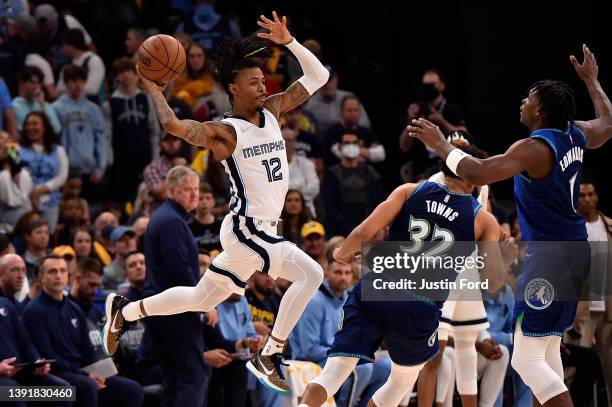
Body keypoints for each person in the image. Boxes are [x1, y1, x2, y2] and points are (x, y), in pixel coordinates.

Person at [103, 12, 329, 396]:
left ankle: (124, 311)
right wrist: (153, 88)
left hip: (262, 231)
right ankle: (270, 354)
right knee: (313, 274)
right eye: (253, 82)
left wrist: (289, 41)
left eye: (262, 81)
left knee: (198, 297)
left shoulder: (273, 110)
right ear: (232, 89)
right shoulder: (226, 133)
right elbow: (175, 126)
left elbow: (318, 76)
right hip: (246, 227)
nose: (262, 87)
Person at [407, 44, 612, 407]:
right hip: (573, 252)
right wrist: (593, 82)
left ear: (542, 110)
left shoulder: (536, 147)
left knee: (526, 358)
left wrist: (441, 145)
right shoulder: (573, 135)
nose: (522, 102)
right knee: (546, 348)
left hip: (550, 258)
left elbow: (480, 172)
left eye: (529, 98)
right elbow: (607, 125)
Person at [299, 142, 515, 407]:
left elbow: (363, 233)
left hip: (377, 288)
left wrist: (341, 254)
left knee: (332, 374)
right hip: (419, 303)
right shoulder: (482, 219)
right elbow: (492, 283)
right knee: (401, 381)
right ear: (476, 177)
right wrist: (505, 259)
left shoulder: (409, 191)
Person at [22, 255, 144, 407]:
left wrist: (98, 374)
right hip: (57, 373)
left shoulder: (74, 309)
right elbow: (49, 357)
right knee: (87, 387)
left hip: (80, 372)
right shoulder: (33, 311)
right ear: (41, 277)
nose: (58, 275)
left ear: (68, 275)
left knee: (132, 390)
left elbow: (88, 351)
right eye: (52, 271)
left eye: (62, 271)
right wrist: (87, 375)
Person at [576, 178, 612, 405]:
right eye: (582, 195)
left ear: (597, 196)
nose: (587, 199)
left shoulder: (610, 225)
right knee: (577, 367)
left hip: (608, 310)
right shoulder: (570, 227)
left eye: (590, 194)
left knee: (610, 369)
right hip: (582, 310)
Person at [108, 57, 161, 205]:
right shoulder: (111, 103)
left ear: (136, 74)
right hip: (121, 157)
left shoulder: (145, 99)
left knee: (144, 195)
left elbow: (154, 130)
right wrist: (110, 158)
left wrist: (155, 155)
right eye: (120, 72)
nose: (125, 75)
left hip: (144, 155)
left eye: (128, 71)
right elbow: (108, 133)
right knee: (124, 197)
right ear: (117, 77)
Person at [52, 64, 107, 203]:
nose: (77, 85)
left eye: (81, 81)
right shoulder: (56, 108)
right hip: (66, 170)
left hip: (89, 171)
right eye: (73, 81)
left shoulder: (94, 109)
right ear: (66, 83)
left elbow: (101, 139)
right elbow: (53, 140)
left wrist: (100, 167)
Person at [321, 131, 385, 237]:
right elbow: (329, 206)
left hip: (367, 230)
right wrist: (349, 228)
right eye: (347, 143)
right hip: (339, 232)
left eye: (354, 142)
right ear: (340, 147)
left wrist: (367, 227)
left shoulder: (370, 173)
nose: (351, 146)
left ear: (360, 146)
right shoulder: (331, 174)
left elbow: (378, 202)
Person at [19, 112, 68, 233]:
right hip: (26, 199)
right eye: (28, 125)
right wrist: (31, 192)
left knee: (47, 234)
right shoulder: (18, 149)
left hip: (51, 200)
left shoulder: (58, 150)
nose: (30, 128)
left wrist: (42, 189)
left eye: (35, 124)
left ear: (44, 127)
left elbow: (62, 176)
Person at [56, 29, 105, 103]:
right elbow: (59, 89)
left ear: (72, 45)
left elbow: (92, 89)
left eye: (63, 46)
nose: (62, 49)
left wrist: (71, 89)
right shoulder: (66, 67)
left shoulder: (94, 61)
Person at [143, 133, 186, 213]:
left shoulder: (187, 166)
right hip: (160, 214)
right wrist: (175, 169)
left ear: (180, 143)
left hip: (185, 214)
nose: (171, 144)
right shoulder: (152, 168)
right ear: (161, 143)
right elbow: (161, 194)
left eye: (175, 140)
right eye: (168, 140)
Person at [0, 131, 33, 233]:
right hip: (4, 226)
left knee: (23, 174)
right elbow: (10, 201)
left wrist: (13, 159)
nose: (6, 141)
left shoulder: (21, 166)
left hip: (25, 223)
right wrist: (6, 166)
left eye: (8, 138)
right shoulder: (3, 175)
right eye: (1, 138)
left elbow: (22, 195)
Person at [12, 66, 61, 134]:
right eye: (32, 82)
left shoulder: (44, 105)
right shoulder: (14, 106)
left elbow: (56, 129)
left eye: (39, 83)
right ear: (22, 83)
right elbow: (21, 132)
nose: (36, 87)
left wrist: (43, 106)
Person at [282, 127, 319, 216]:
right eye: (283, 140)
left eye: (290, 140)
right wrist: (299, 185)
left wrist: (292, 196)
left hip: (305, 209)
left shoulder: (307, 164)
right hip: (279, 213)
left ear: (295, 143)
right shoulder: (270, 165)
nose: (286, 144)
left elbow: (314, 188)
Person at [68, 257, 105, 325]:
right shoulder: (63, 311)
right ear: (78, 279)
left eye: (97, 286)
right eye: (91, 284)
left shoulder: (97, 313)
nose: (95, 291)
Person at [188, 182, 223, 252]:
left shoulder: (222, 224)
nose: (204, 202)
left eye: (208, 198)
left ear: (213, 202)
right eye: (200, 198)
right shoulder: (188, 226)